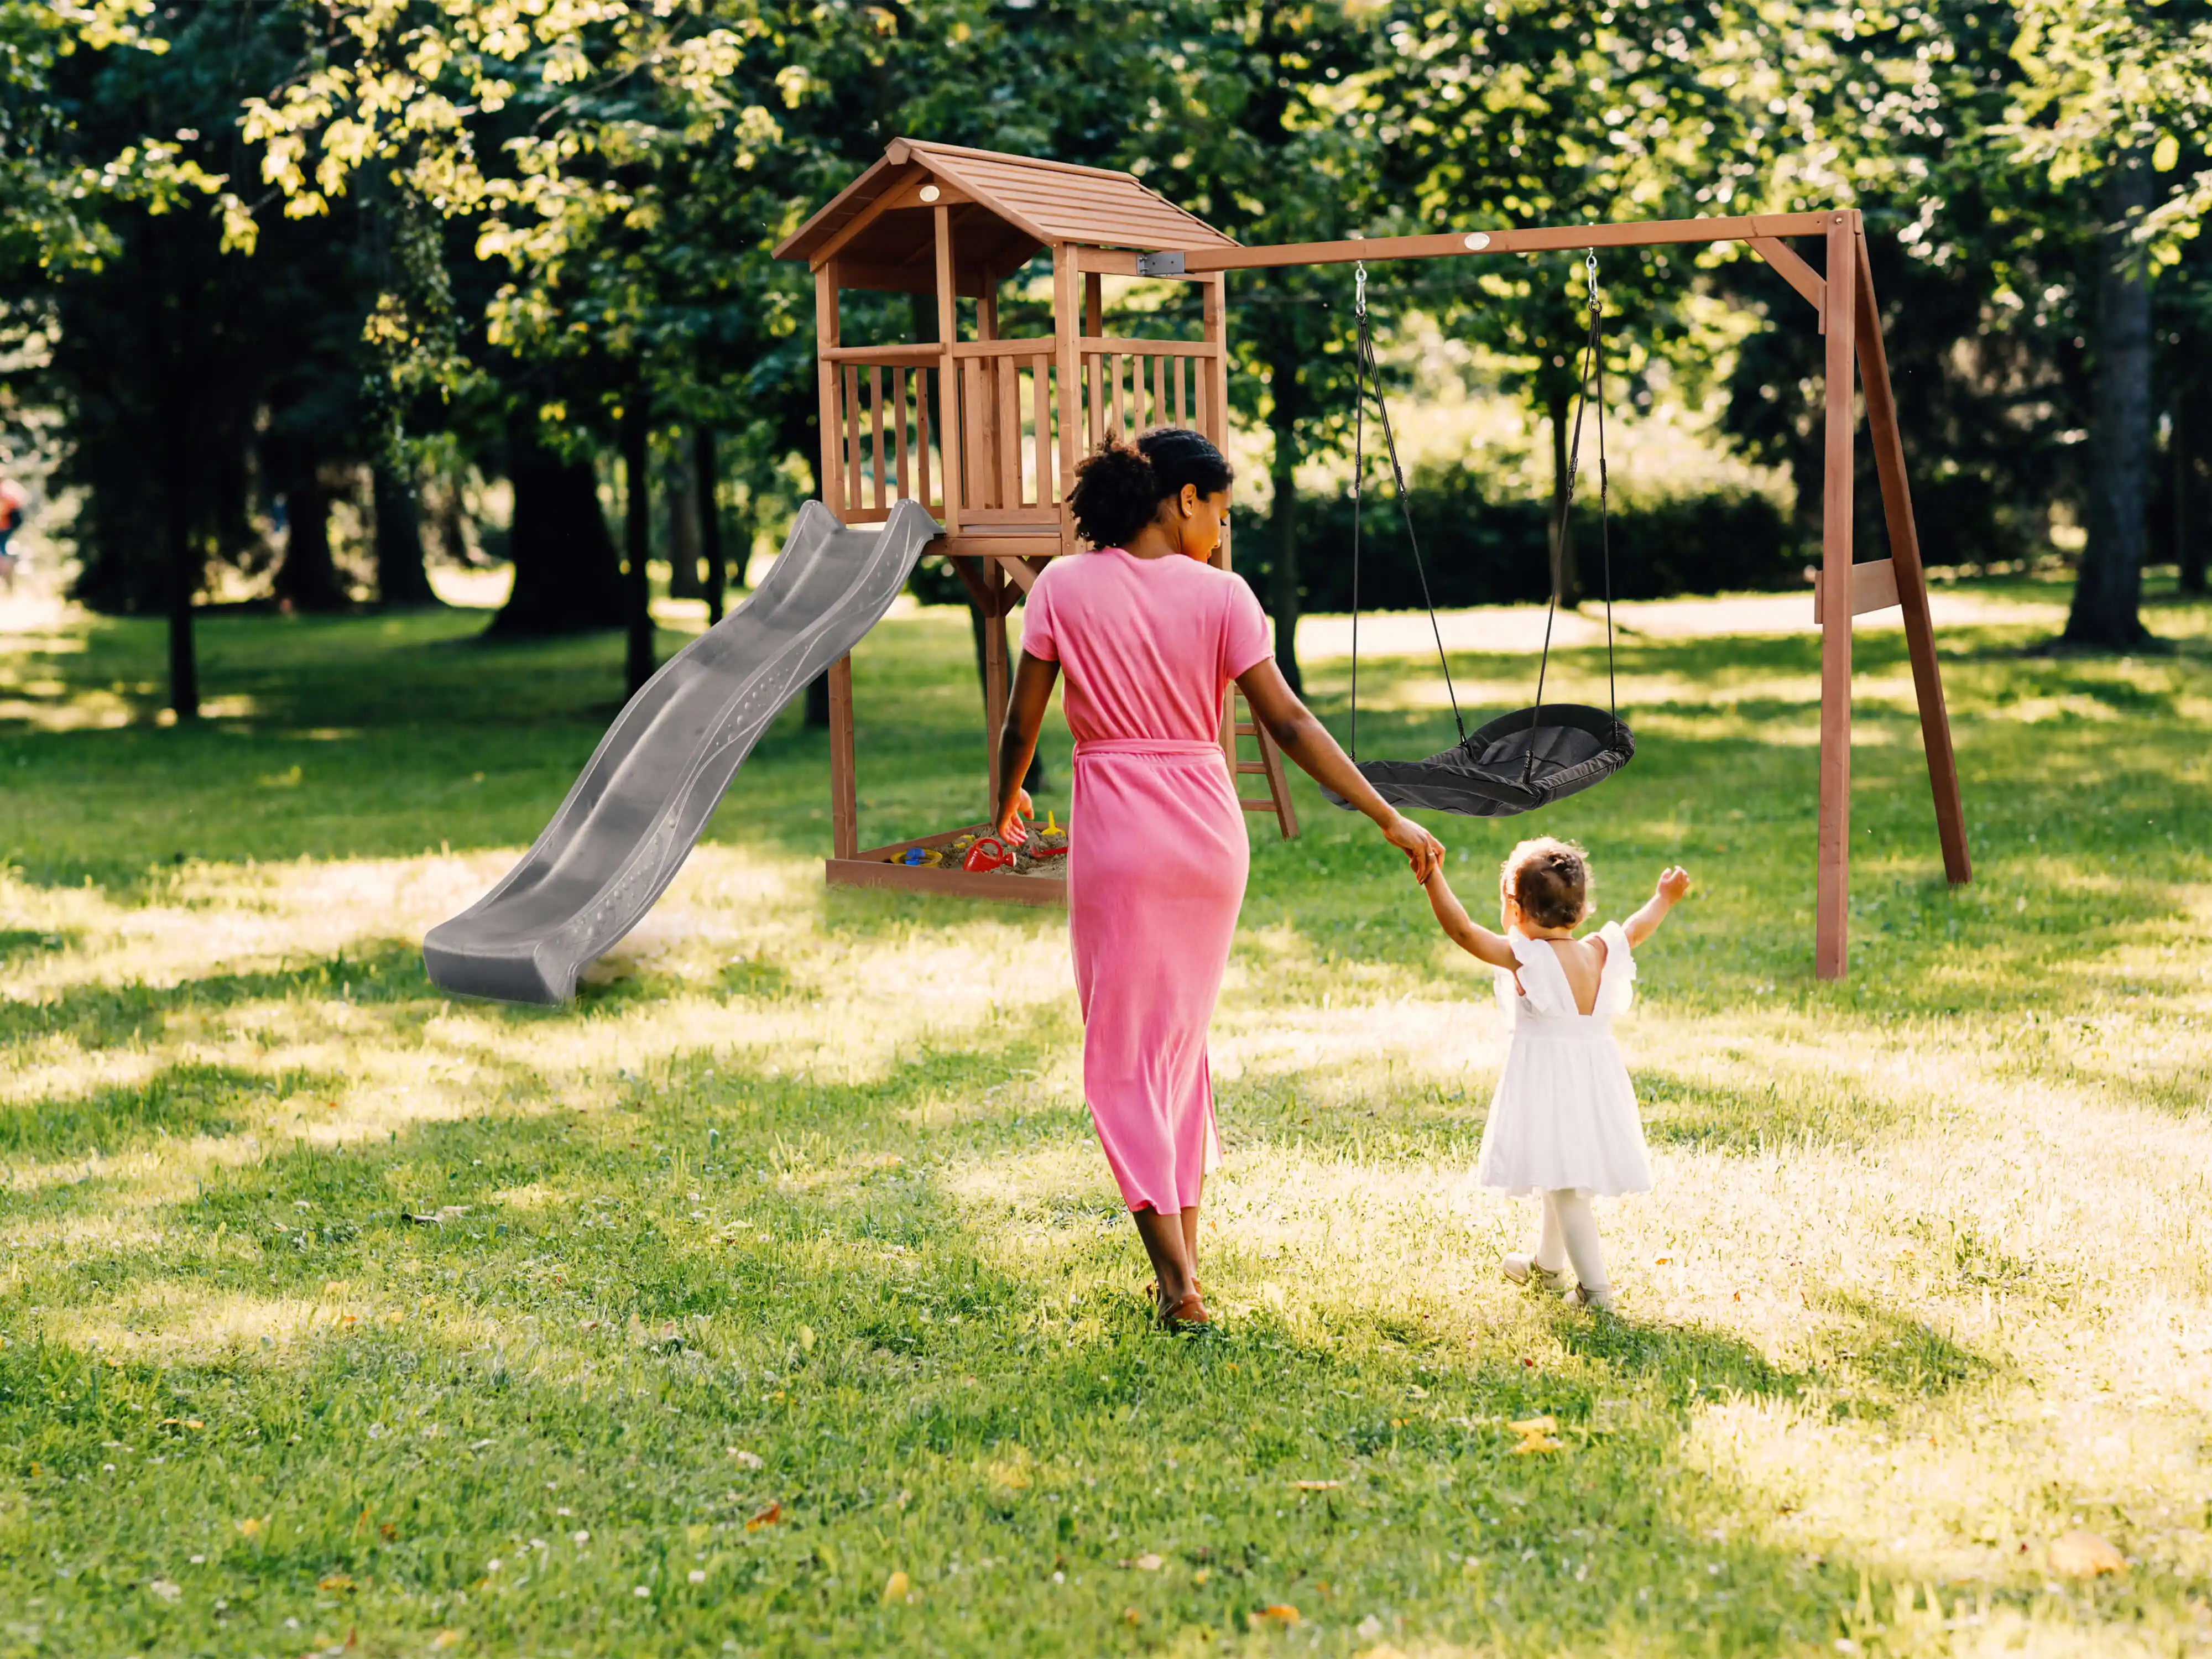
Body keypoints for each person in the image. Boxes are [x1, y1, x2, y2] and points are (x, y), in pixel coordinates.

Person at [994, 427, 1444, 1331]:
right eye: (1222, 514)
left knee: (1124, 1058)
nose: (1223, 536)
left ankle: (1175, 1284)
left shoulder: (1061, 588)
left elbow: (1022, 723)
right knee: (1176, 1051)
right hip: (1208, 835)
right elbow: (1289, 724)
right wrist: (1386, 813)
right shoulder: (1226, 598)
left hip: (1120, 835)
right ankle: (1184, 1270)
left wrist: (1003, 806)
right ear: (1184, 499)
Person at [1420, 838, 1691, 1311]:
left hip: (1550, 1084)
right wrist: (1663, 899)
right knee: (1556, 1169)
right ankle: (1547, 1267)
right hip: (1593, 1081)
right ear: (1581, 911)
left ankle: (1596, 1291)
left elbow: (1462, 931)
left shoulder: (1527, 958)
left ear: (1516, 908)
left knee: (1566, 1187)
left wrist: (1432, 876)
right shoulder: (1599, 950)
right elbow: (1636, 927)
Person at [0, 477, 26, 594]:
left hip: (4, 527)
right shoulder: (10, 487)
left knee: (3, 553)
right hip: (7, 527)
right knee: (4, 551)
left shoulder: (5, 491)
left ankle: (7, 576)